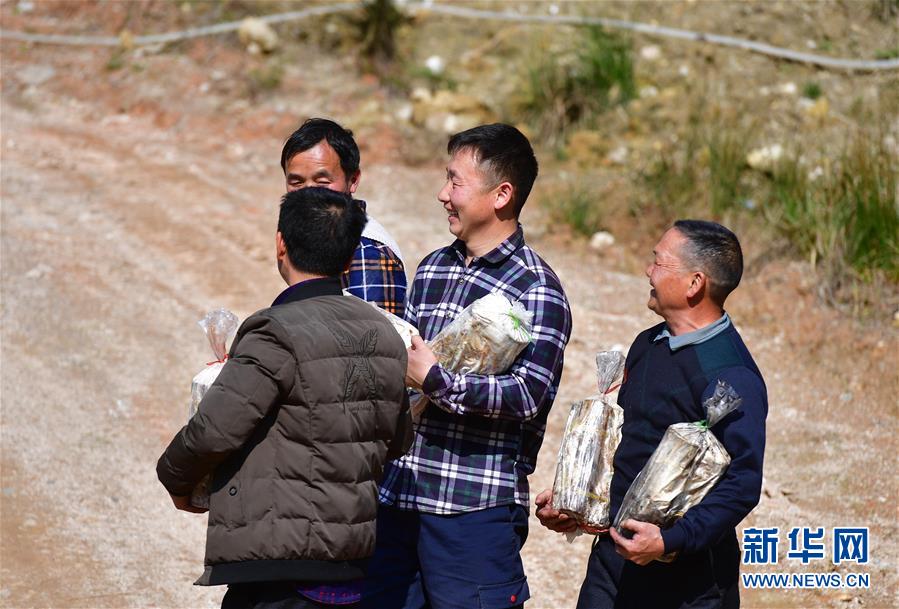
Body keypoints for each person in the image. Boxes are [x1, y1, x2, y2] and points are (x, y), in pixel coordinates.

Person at [157, 187, 413, 609]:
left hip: (279, 561)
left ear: (281, 244)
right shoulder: (385, 335)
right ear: (349, 259)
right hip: (352, 561)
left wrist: (176, 478)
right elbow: (399, 438)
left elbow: (215, 430)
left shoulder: (275, 331)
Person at [362, 124, 573, 609]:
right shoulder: (433, 267)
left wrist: (436, 380)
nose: (443, 194)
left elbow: (527, 396)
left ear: (502, 195)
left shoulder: (537, 289)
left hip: (472, 513)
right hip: (399, 498)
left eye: (455, 181)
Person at [536, 220, 768, 609]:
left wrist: (669, 540)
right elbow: (629, 447)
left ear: (694, 283)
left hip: (688, 584)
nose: (648, 271)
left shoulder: (730, 375)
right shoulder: (648, 344)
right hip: (612, 568)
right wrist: (577, 505)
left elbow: (742, 483)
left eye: (659, 262)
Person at [281, 117, 407, 315]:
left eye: (322, 182)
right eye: (296, 182)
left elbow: (372, 331)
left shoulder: (365, 251)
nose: (308, 193)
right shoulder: (314, 237)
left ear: (353, 180)